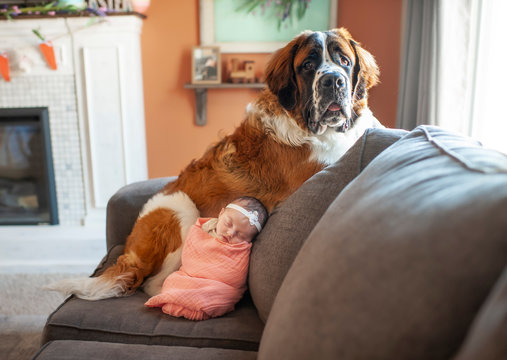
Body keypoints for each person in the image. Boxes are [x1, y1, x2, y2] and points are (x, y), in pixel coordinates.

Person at [144, 196, 268, 320]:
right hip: (189, 276)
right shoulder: (205, 228)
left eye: (241, 235)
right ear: (221, 213)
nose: (230, 233)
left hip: (217, 287)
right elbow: (190, 254)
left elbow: (234, 275)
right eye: (228, 223)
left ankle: (191, 300)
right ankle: (182, 297)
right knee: (172, 280)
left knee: (217, 293)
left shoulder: (239, 250)